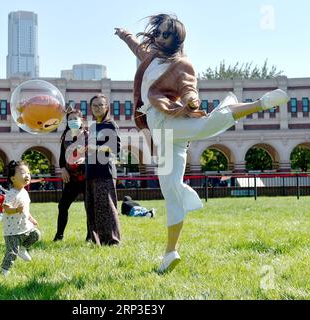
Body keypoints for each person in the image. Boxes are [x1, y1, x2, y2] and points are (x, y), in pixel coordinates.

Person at [115, 13, 289, 273]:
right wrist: (124, 35)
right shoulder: (150, 57)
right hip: (161, 134)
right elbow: (136, 46)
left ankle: (260, 103)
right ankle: (170, 253)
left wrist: (192, 101)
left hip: (168, 120)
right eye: (159, 32)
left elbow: (189, 88)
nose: (161, 37)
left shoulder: (182, 63)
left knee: (208, 125)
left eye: (167, 34)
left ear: (177, 39)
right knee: (170, 190)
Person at [85, 94, 122, 246]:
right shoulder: (93, 126)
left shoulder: (111, 125)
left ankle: (113, 241)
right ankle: (97, 240)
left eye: (101, 105)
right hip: (90, 171)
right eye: (95, 105)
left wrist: (96, 148)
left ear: (107, 107)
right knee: (92, 208)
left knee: (107, 207)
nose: (98, 108)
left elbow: (116, 148)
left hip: (105, 172)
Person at [54, 108, 90, 241]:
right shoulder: (65, 136)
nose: (73, 121)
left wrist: (85, 160)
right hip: (71, 179)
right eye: (70, 119)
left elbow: (95, 155)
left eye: (75, 118)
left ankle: (90, 236)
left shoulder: (88, 136)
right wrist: (63, 168)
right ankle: (59, 235)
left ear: (81, 120)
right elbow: (62, 157)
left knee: (89, 208)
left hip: (86, 178)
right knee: (62, 206)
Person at [1, 160, 41, 276]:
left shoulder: (24, 192)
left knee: (36, 234)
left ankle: (23, 248)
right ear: (13, 178)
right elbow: (6, 209)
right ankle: (4, 272)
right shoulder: (11, 194)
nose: (27, 175)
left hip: (25, 227)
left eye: (28, 173)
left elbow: (25, 210)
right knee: (12, 253)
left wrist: (31, 218)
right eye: (23, 173)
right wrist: (16, 210)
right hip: (13, 231)